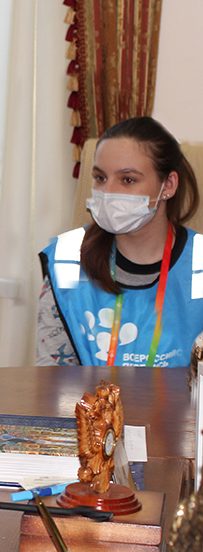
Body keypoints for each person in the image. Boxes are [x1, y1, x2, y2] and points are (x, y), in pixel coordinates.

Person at [38, 116, 203, 367]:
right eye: (100, 178)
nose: (107, 192)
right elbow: (52, 377)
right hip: (88, 394)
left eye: (128, 180)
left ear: (168, 185)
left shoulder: (199, 263)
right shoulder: (66, 260)